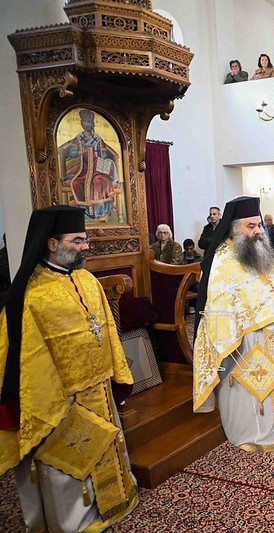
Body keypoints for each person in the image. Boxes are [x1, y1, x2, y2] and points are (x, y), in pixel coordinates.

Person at [0, 206, 137, 532]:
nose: (85, 246)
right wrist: (57, 398)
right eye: (77, 240)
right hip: (60, 401)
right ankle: (74, 522)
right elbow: (25, 358)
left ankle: (118, 502)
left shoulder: (87, 280)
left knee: (107, 449)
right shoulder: (30, 296)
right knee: (67, 466)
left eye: (85, 239)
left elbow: (107, 330)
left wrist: (116, 373)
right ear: (51, 243)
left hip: (99, 391)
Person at [193, 196, 274, 451]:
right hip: (245, 339)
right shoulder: (223, 259)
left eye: (259, 225)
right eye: (250, 226)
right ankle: (254, 433)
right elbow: (218, 304)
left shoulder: (263, 252)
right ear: (235, 228)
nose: (257, 232)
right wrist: (237, 331)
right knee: (253, 389)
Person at [58, 109, 121, 221]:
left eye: (89, 121)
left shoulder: (98, 139)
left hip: (98, 169)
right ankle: (85, 211)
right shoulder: (79, 138)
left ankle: (99, 212)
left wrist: (104, 160)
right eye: (85, 121)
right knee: (77, 182)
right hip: (84, 169)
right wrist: (78, 152)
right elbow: (70, 152)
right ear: (81, 123)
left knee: (98, 182)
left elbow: (105, 153)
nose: (87, 124)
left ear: (93, 123)